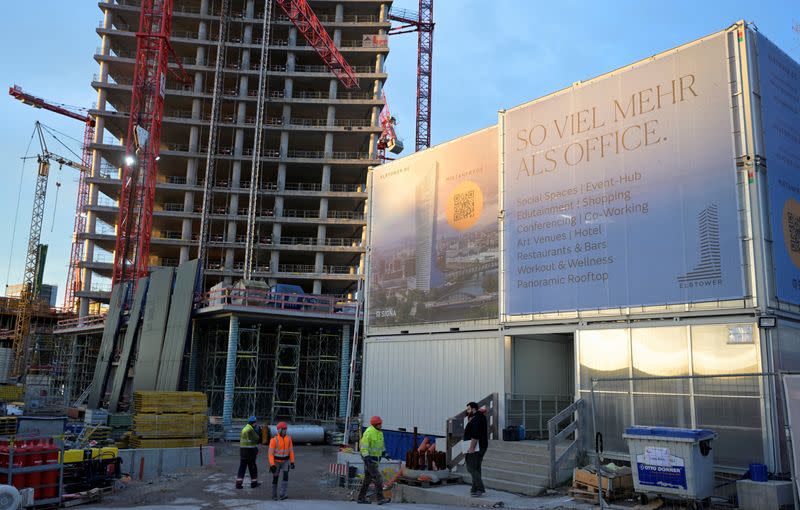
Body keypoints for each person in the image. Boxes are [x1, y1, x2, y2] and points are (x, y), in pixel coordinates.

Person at [357, 415, 388, 505]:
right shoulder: (369, 432)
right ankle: (380, 498)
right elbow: (363, 446)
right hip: (369, 460)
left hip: (375, 460)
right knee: (378, 477)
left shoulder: (380, 433)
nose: (381, 425)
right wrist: (366, 457)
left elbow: (381, 446)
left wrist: (384, 453)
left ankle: (361, 498)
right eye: (380, 424)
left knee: (367, 479)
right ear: (376, 424)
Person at [463, 401, 488, 497]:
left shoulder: (477, 418)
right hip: (482, 445)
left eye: (468, 409)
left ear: (473, 409)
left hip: (476, 446)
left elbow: (475, 434)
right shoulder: (479, 417)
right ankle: (475, 488)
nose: (467, 411)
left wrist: (471, 447)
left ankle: (480, 488)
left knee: (471, 467)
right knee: (476, 467)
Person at [268, 422, 295, 500]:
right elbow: (270, 454)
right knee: (275, 478)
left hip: (285, 461)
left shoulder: (289, 439)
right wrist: (272, 464)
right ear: (279, 430)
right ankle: (274, 495)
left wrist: (292, 462)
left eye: (285, 429)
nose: (285, 431)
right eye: (283, 429)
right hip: (276, 462)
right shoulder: (274, 440)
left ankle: (282, 494)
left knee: (286, 477)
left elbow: (291, 451)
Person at [236, 415, 261, 489]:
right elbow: (256, 439)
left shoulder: (244, 429)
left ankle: (238, 483)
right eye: (255, 423)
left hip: (243, 452)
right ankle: (254, 483)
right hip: (250, 452)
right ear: (253, 423)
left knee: (242, 468)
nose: (256, 424)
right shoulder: (250, 430)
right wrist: (257, 432)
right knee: (252, 468)